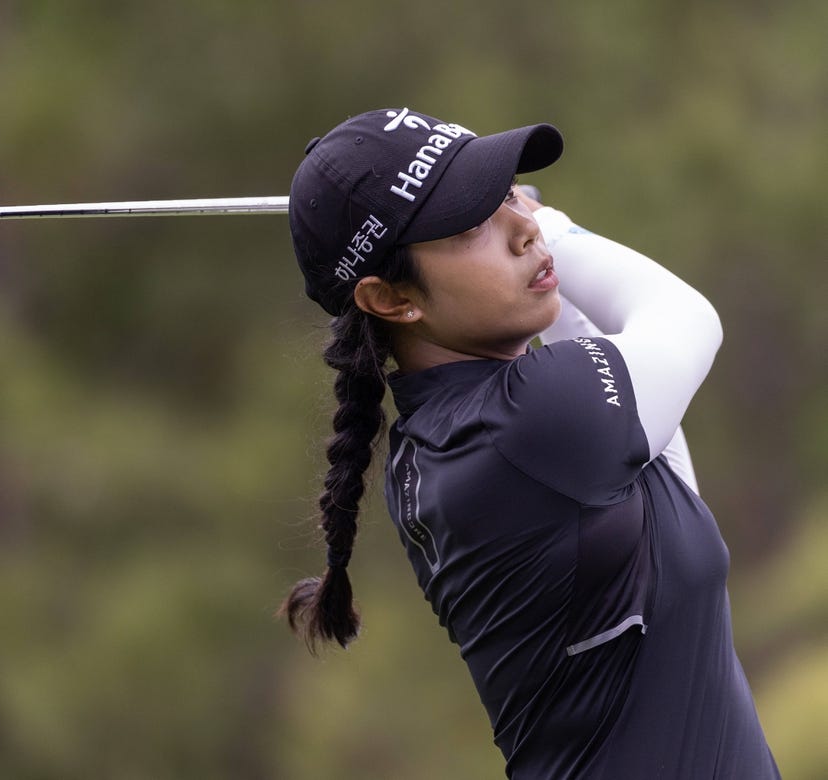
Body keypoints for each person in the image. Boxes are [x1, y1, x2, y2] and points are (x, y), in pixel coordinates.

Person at [279, 107, 780, 778]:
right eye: (470, 222)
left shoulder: (448, 436)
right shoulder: (522, 427)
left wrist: (520, 231)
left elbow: (661, 464)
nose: (520, 228)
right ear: (392, 298)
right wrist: (558, 232)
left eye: (506, 193)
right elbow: (687, 319)